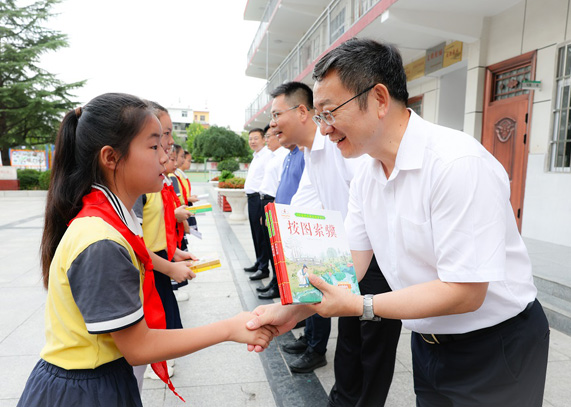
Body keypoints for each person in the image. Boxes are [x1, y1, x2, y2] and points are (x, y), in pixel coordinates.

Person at [247, 38, 550, 407]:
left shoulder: (456, 164)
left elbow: (466, 292)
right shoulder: (367, 175)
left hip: (496, 346)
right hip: (429, 343)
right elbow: (347, 265)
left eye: (329, 113)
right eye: (320, 117)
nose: (324, 129)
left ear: (378, 99)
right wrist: (290, 310)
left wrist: (362, 305)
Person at [18, 93, 274, 407]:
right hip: (83, 392)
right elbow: (139, 346)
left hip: (95, 380)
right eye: (154, 146)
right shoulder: (101, 241)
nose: (165, 158)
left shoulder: (110, 222)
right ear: (110, 157)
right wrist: (230, 328)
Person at [266, 82, 331, 374]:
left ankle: (317, 348)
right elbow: (302, 198)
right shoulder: (305, 152)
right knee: (309, 293)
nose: (272, 123)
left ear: (302, 112)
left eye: (277, 115)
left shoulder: (333, 147)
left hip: (328, 242)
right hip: (306, 236)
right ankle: (310, 339)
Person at [256, 125, 290, 299]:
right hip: (266, 201)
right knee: (270, 247)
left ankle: (278, 285)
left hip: (274, 201)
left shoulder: (284, 155)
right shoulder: (273, 156)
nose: (267, 140)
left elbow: (280, 185)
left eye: (269, 136)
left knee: (276, 249)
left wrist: (273, 209)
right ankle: (274, 282)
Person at [243, 128, 272, 280]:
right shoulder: (256, 156)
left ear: (263, 139)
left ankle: (263, 268)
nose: (252, 141)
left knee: (261, 234)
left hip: (259, 198)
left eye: (255, 138)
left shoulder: (267, 155)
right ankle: (259, 261)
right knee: (255, 233)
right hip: (251, 198)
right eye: (250, 139)